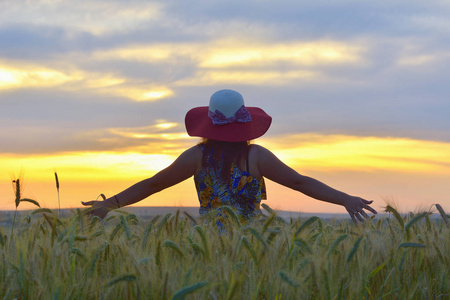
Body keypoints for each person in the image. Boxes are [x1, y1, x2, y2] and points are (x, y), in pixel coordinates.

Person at [82, 89, 377, 223]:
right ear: (245, 124)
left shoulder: (196, 156)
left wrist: (110, 204)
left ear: (208, 124)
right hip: (257, 242)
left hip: (211, 241)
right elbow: (299, 183)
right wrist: (345, 199)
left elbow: (153, 184)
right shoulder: (257, 156)